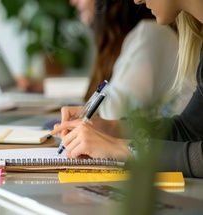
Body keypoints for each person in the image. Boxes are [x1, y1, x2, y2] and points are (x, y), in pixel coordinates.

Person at [52, 0, 203, 178]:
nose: (136, 0)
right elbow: (190, 130)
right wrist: (108, 128)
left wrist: (122, 149)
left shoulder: (150, 34)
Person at [71, 0, 189, 120]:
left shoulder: (149, 34)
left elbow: (117, 114)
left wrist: (84, 112)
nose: (73, 2)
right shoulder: (127, 40)